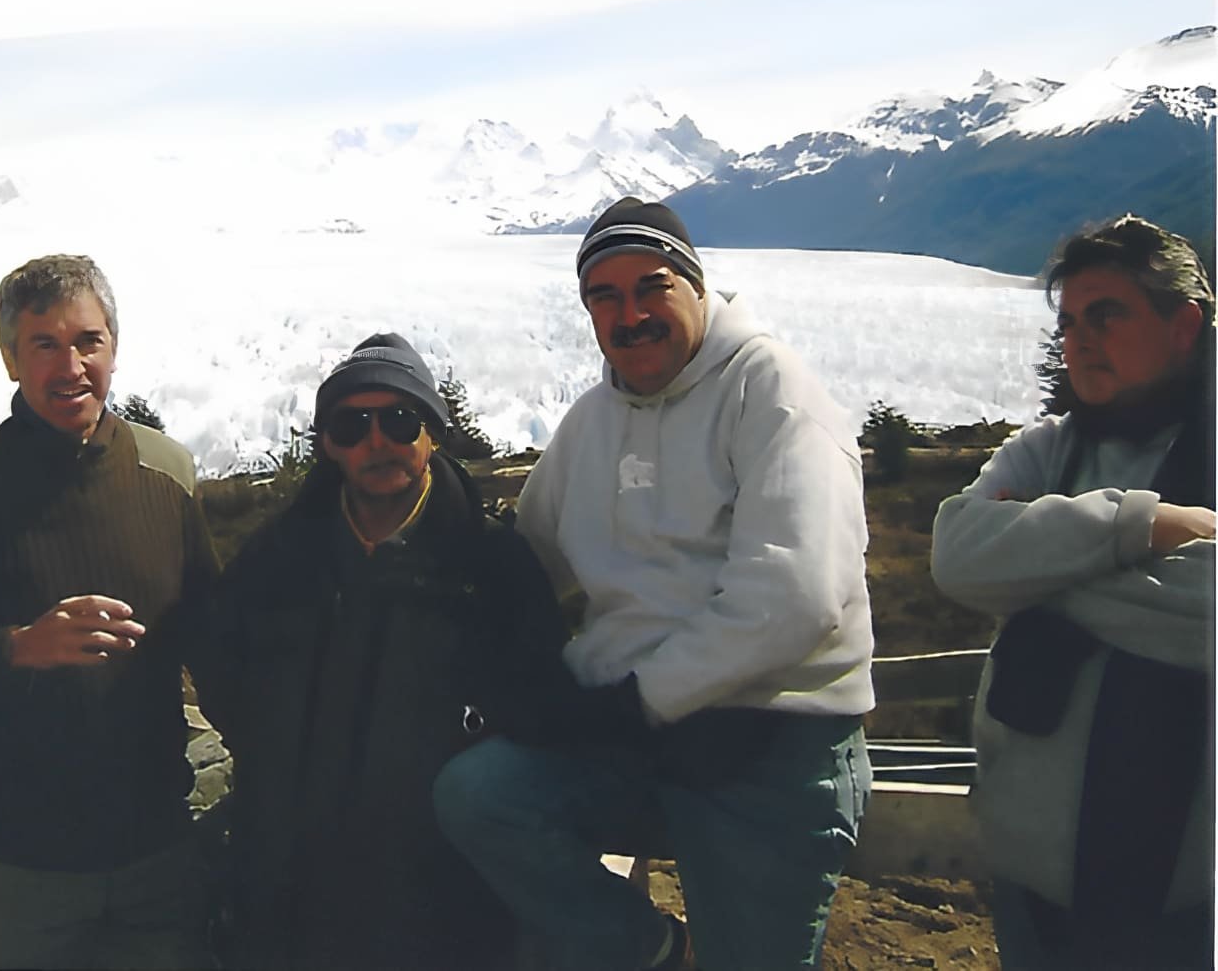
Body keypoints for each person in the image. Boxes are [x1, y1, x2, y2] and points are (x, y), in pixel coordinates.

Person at [433, 197, 876, 970]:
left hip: (768, 735)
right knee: (480, 796)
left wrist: (635, 700)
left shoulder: (771, 393)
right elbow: (528, 559)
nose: (629, 314)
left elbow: (796, 597)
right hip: (628, 732)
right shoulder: (596, 418)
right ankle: (645, 951)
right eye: (604, 297)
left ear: (697, 288)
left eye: (651, 287)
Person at [0, 254, 218, 970]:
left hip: (156, 853)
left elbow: (217, 647)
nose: (71, 365)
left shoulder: (166, 474)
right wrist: (16, 649)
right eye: (44, 345)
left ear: (114, 346)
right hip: (16, 870)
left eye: (88, 341)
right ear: (9, 359)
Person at [188, 332, 578, 971]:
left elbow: (541, 709)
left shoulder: (492, 566)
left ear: (432, 432)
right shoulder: (276, 561)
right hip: (293, 893)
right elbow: (222, 671)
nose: (377, 441)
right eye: (352, 424)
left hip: (444, 900)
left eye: (400, 419)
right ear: (329, 446)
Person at [931, 215, 1214, 970]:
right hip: (1035, 887)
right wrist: (1142, 526)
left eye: (1108, 314)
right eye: (1070, 321)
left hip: (1187, 900)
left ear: (1183, 326)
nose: (1081, 338)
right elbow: (957, 552)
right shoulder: (1048, 447)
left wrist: (1042, 576)